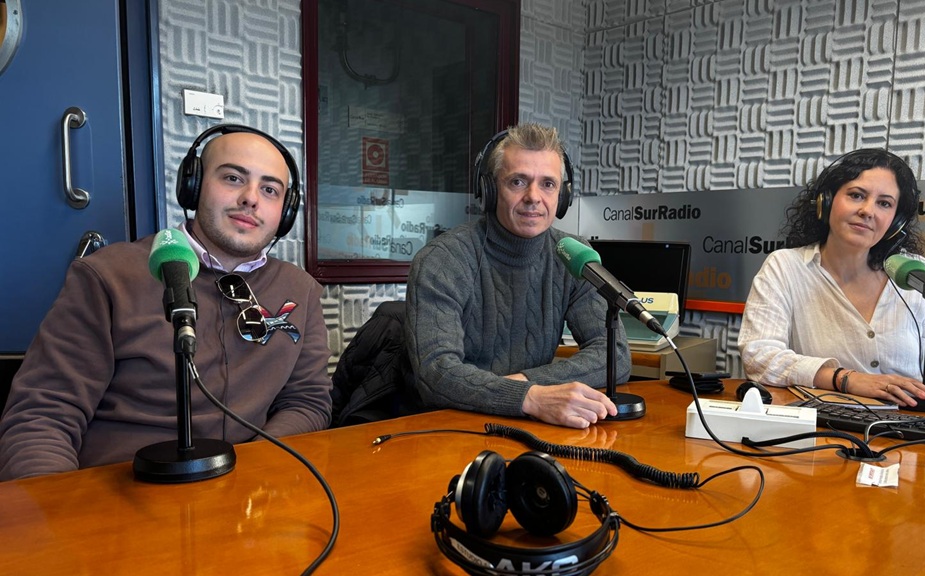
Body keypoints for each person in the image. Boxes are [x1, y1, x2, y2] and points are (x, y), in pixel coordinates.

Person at [0, 125, 332, 481]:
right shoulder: (107, 276)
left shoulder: (301, 290)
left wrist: (251, 472)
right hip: (117, 494)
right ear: (193, 186)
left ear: (285, 211)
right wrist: (59, 508)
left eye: (269, 189)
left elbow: (307, 402)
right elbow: (42, 416)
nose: (251, 198)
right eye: (233, 178)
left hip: (247, 494)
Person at [405, 123, 631, 429]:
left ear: (563, 196)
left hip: (531, 424)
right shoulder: (443, 260)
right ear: (489, 190)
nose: (533, 196)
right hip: (451, 425)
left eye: (548, 184)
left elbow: (615, 355)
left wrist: (525, 385)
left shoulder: (572, 255)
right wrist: (530, 397)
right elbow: (436, 373)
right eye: (518, 181)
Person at [738, 149, 925, 408]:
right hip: (825, 423)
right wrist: (846, 379)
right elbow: (759, 356)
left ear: (896, 221)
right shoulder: (785, 267)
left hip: (908, 423)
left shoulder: (917, 272)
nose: (867, 211)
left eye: (884, 203)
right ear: (826, 202)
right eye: (856, 195)